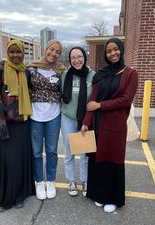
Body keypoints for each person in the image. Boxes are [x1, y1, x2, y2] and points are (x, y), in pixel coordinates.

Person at [81, 38, 138, 213]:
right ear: (105, 55)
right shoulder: (101, 74)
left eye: (115, 49)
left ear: (121, 50)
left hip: (115, 126)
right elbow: (92, 100)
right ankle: (98, 195)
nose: (113, 53)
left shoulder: (130, 73)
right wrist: (85, 122)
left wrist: (101, 106)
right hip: (97, 125)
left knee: (113, 160)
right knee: (97, 160)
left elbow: (125, 100)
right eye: (109, 51)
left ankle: (113, 198)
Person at [0, 39, 35, 212]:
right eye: (12, 52)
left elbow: (31, 91)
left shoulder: (26, 71)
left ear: (23, 54)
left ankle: (19, 196)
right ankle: (5, 199)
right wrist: (1, 125)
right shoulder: (0, 69)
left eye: (19, 52)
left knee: (21, 161)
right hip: (6, 124)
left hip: (23, 123)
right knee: (8, 162)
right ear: (7, 53)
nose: (15, 55)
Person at [25, 40, 65, 200]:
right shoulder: (31, 68)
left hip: (54, 115)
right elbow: (23, 88)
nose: (53, 53)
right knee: (36, 151)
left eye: (57, 52)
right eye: (51, 49)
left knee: (51, 151)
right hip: (35, 115)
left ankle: (51, 181)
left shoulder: (61, 70)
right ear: (46, 49)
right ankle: (39, 181)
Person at [60, 47, 95, 197]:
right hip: (67, 118)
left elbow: (94, 98)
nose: (76, 60)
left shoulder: (92, 76)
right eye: (73, 57)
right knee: (69, 152)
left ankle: (85, 180)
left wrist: (87, 120)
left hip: (84, 120)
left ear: (85, 57)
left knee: (85, 153)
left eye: (79, 56)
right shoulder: (64, 75)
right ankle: (71, 180)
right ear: (70, 59)